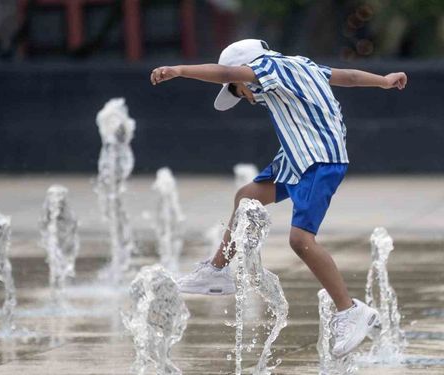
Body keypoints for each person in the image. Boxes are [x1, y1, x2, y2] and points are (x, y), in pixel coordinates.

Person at [149, 39, 407, 357]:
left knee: (301, 241)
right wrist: (382, 81)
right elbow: (348, 78)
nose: (243, 98)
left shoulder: (268, 67)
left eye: (236, 90)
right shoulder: (303, 65)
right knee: (247, 197)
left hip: (319, 162)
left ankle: (350, 310)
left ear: (246, 74)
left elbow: (226, 71)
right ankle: (218, 272)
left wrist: (179, 69)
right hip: (297, 157)